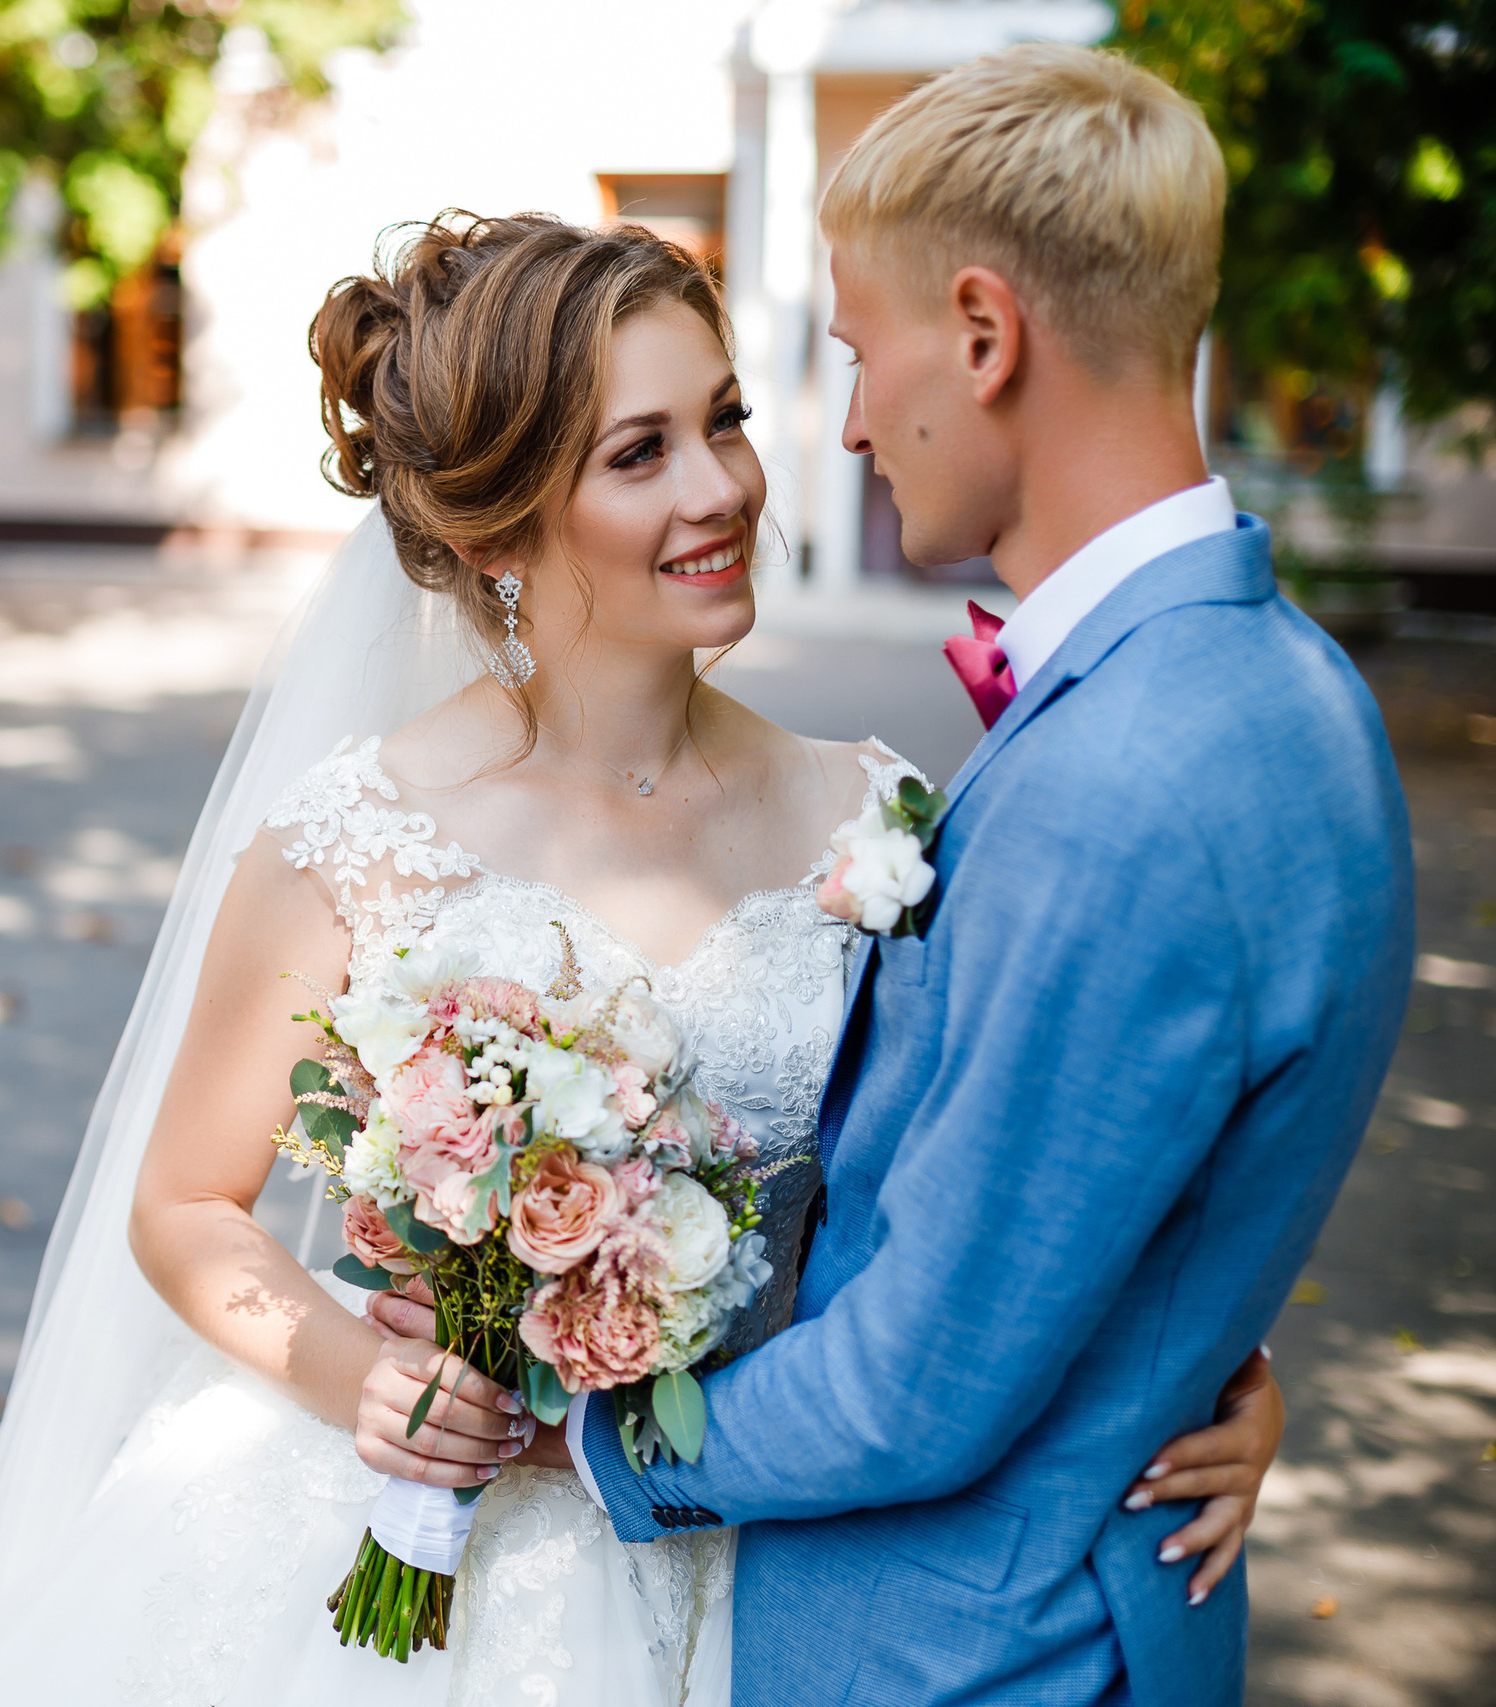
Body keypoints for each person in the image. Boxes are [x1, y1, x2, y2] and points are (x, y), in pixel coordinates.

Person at [0, 202, 1286, 1707]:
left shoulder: (876, 821)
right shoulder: (355, 839)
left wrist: (1208, 1377)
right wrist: (372, 1382)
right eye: (640, 453)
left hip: (757, 1541)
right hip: (397, 1549)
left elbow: (1004, 1188)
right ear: (497, 530)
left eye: (724, 422)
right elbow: (183, 1204)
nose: (723, 487)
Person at [507, 43, 1414, 1707]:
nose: (844, 425)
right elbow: (1124, 1178)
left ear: (986, 336)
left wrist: (588, 1440)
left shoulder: (1127, 779)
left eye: (861, 352)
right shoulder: (1292, 697)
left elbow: (917, 1380)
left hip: (968, 1653)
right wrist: (1198, 1343)